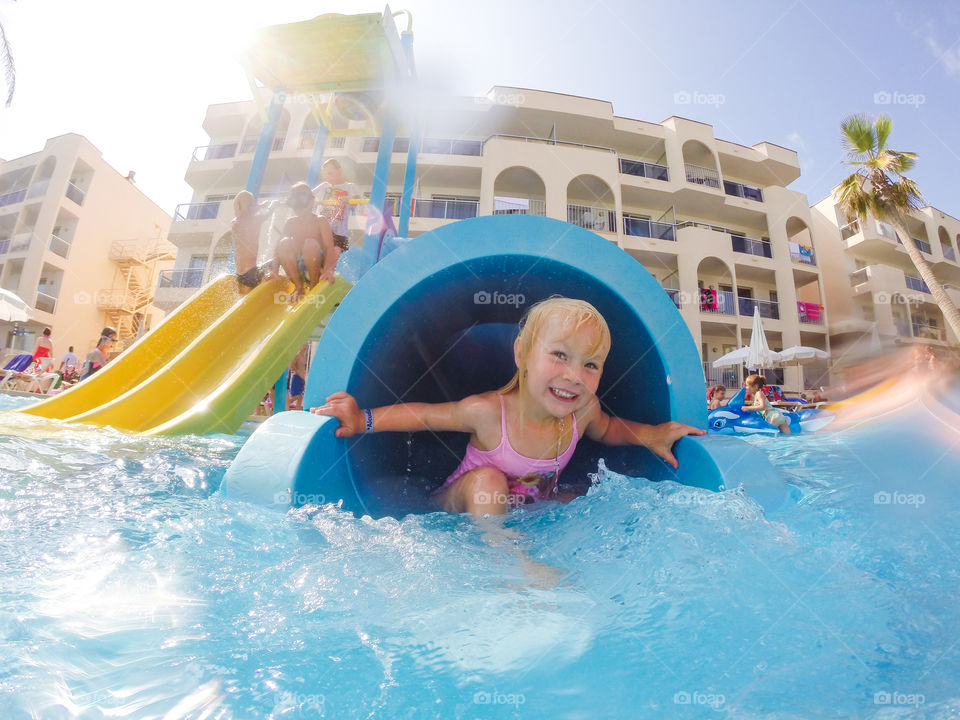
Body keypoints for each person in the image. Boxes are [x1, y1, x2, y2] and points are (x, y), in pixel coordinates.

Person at [310, 297, 705, 516]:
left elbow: (607, 428)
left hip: (530, 504)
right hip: (461, 505)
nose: (573, 376)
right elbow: (426, 414)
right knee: (488, 482)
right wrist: (362, 419)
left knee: (580, 495)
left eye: (590, 365)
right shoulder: (488, 412)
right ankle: (503, 563)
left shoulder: (582, 412)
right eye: (560, 356)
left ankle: (513, 543)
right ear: (523, 355)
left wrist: (651, 434)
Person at [273, 182, 336, 303]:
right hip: (298, 271)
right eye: (297, 206)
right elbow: (277, 249)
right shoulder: (290, 223)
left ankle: (313, 286)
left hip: (318, 270)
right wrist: (274, 271)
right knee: (284, 243)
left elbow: (329, 247)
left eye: (303, 206)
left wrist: (328, 270)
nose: (300, 210)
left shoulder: (320, 220)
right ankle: (299, 287)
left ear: (312, 202)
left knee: (310, 244)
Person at [312, 158, 361, 257]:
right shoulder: (324, 186)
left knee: (335, 256)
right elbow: (308, 195)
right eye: (325, 174)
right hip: (320, 229)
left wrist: (347, 199)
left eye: (330, 173)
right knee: (315, 253)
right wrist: (313, 201)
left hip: (339, 233)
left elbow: (356, 200)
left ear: (340, 171)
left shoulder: (350, 187)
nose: (327, 177)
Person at [231, 190, 275, 294]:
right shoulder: (254, 220)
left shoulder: (235, 223)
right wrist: (272, 205)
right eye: (251, 204)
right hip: (252, 275)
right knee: (280, 257)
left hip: (240, 276)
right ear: (250, 206)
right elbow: (268, 212)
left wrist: (260, 206)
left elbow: (247, 213)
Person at [287, 344, 308, 410]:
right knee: (296, 396)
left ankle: (298, 411)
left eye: (307, 345)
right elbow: (291, 366)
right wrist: (297, 371)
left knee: (300, 397)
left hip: (302, 379)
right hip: (297, 378)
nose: (306, 347)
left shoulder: (303, 356)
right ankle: (285, 405)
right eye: (304, 345)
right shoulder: (297, 355)